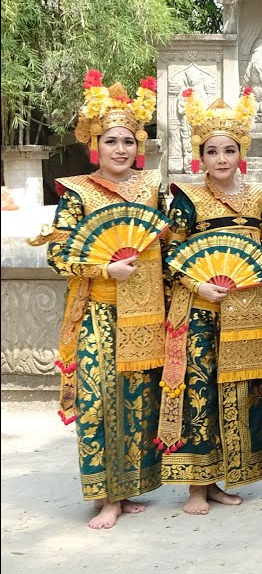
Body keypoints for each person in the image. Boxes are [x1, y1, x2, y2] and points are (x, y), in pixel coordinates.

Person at [33, 71, 164, 529]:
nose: (121, 149)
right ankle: (105, 496)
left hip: (145, 312)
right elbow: (60, 252)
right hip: (99, 312)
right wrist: (103, 268)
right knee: (100, 401)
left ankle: (128, 488)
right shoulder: (78, 192)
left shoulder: (151, 190)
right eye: (111, 141)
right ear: (96, 144)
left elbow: (161, 244)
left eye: (128, 141)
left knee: (137, 400)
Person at [160, 87, 262, 515]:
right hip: (199, 310)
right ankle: (195, 486)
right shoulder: (187, 199)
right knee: (198, 394)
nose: (221, 158)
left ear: (240, 152)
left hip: (246, 308)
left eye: (229, 150)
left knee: (240, 394)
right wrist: (197, 285)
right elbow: (169, 254)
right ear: (200, 156)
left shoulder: (261, 198)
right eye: (212, 151)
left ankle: (225, 478)